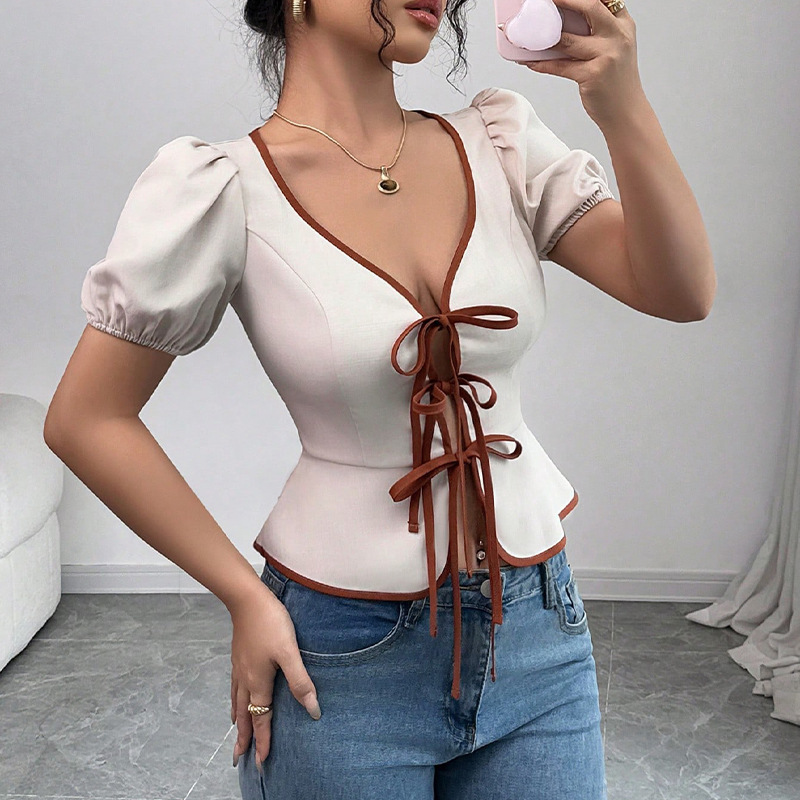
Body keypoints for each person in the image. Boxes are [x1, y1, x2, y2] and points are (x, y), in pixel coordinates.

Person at [45, 1, 715, 798]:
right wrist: (243, 597)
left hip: (538, 630)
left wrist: (620, 103)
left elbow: (681, 292)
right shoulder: (224, 188)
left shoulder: (500, 142)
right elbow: (87, 418)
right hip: (339, 654)